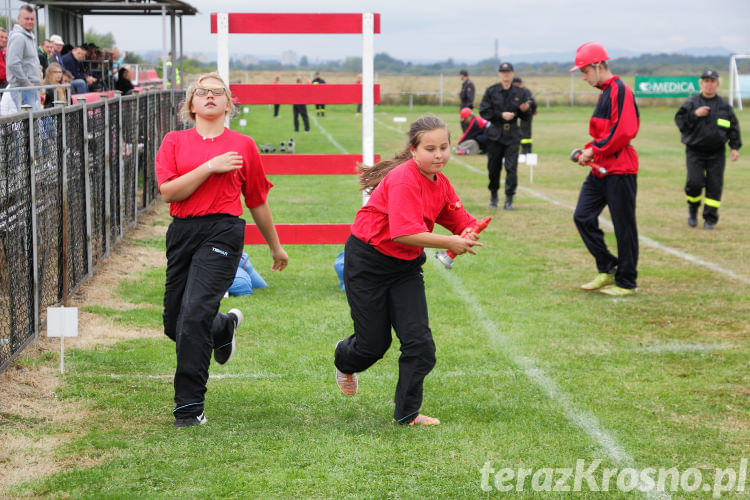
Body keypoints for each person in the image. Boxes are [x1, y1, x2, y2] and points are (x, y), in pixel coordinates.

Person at [155, 72, 288, 428]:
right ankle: (223, 327)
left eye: (218, 92)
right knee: (176, 323)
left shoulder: (243, 145)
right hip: (183, 231)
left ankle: (188, 407)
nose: (210, 96)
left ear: (228, 104)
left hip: (223, 231)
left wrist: (276, 247)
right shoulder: (174, 141)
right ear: (191, 103)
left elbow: (257, 200)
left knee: (194, 313)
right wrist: (210, 167)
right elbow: (169, 192)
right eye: (202, 92)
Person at [334, 116, 484, 426]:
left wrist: (469, 230)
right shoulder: (403, 179)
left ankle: (407, 414)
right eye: (430, 148)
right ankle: (343, 357)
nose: (439, 154)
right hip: (368, 262)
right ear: (414, 150)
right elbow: (402, 232)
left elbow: (459, 218)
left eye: (444, 147)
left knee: (420, 345)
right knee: (372, 346)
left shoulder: (440, 183)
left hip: (405, 268)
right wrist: (450, 241)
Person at [570, 42, 640, 297]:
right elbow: (605, 131)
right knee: (582, 216)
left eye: (585, 71)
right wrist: (588, 149)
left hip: (620, 168)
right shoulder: (606, 92)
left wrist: (594, 149)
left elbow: (623, 131)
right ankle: (608, 266)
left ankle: (627, 281)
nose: (584, 77)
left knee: (624, 226)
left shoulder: (620, 90)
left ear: (599, 66)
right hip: (600, 167)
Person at [674, 69, 741, 230]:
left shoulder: (724, 106)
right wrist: (694, 114)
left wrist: (734, 147)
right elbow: (681, 122)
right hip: (695, 151)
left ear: (717, 84)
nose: (709, 84)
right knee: (694, 183)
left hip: (716, 153)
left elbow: (733, 128)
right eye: (706, 81)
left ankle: (710, 218)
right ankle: (693, 210)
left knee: (715, 185)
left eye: (712, 81)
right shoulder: (692, 103)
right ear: (701, 83)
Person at [479, 62, 531, 210]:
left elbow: (526, 117)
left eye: (508, 72)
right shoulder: (491, 91)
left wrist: (525, 110)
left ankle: (509, 199)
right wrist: (501, 115)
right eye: (503, 72)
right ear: (499, 74)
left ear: (512, 74)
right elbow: (484, 111)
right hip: (495, 134)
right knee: (493, 168)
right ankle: (494, 195)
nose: (506, 74)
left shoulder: (521, 93)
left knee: (511, 168)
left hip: (513, 134)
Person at [6, 5, 42, 110]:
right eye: (26, 19)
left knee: (35, 122)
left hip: (30, 87)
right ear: (19, 19)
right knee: (31, 122)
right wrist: (27, 83)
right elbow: (13, 64)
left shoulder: (28, 37)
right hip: (23, 88)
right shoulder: (19, 37)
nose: (30, 21)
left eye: (32, 19)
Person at [513, 76, 537, 154]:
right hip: (517, 114)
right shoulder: (521, 91)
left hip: (526, 115)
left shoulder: (525, 91)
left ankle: (526, 150)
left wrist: (533, 110)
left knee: (526, 133)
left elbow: (532, 102)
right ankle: (524, 150)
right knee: (519, 132)